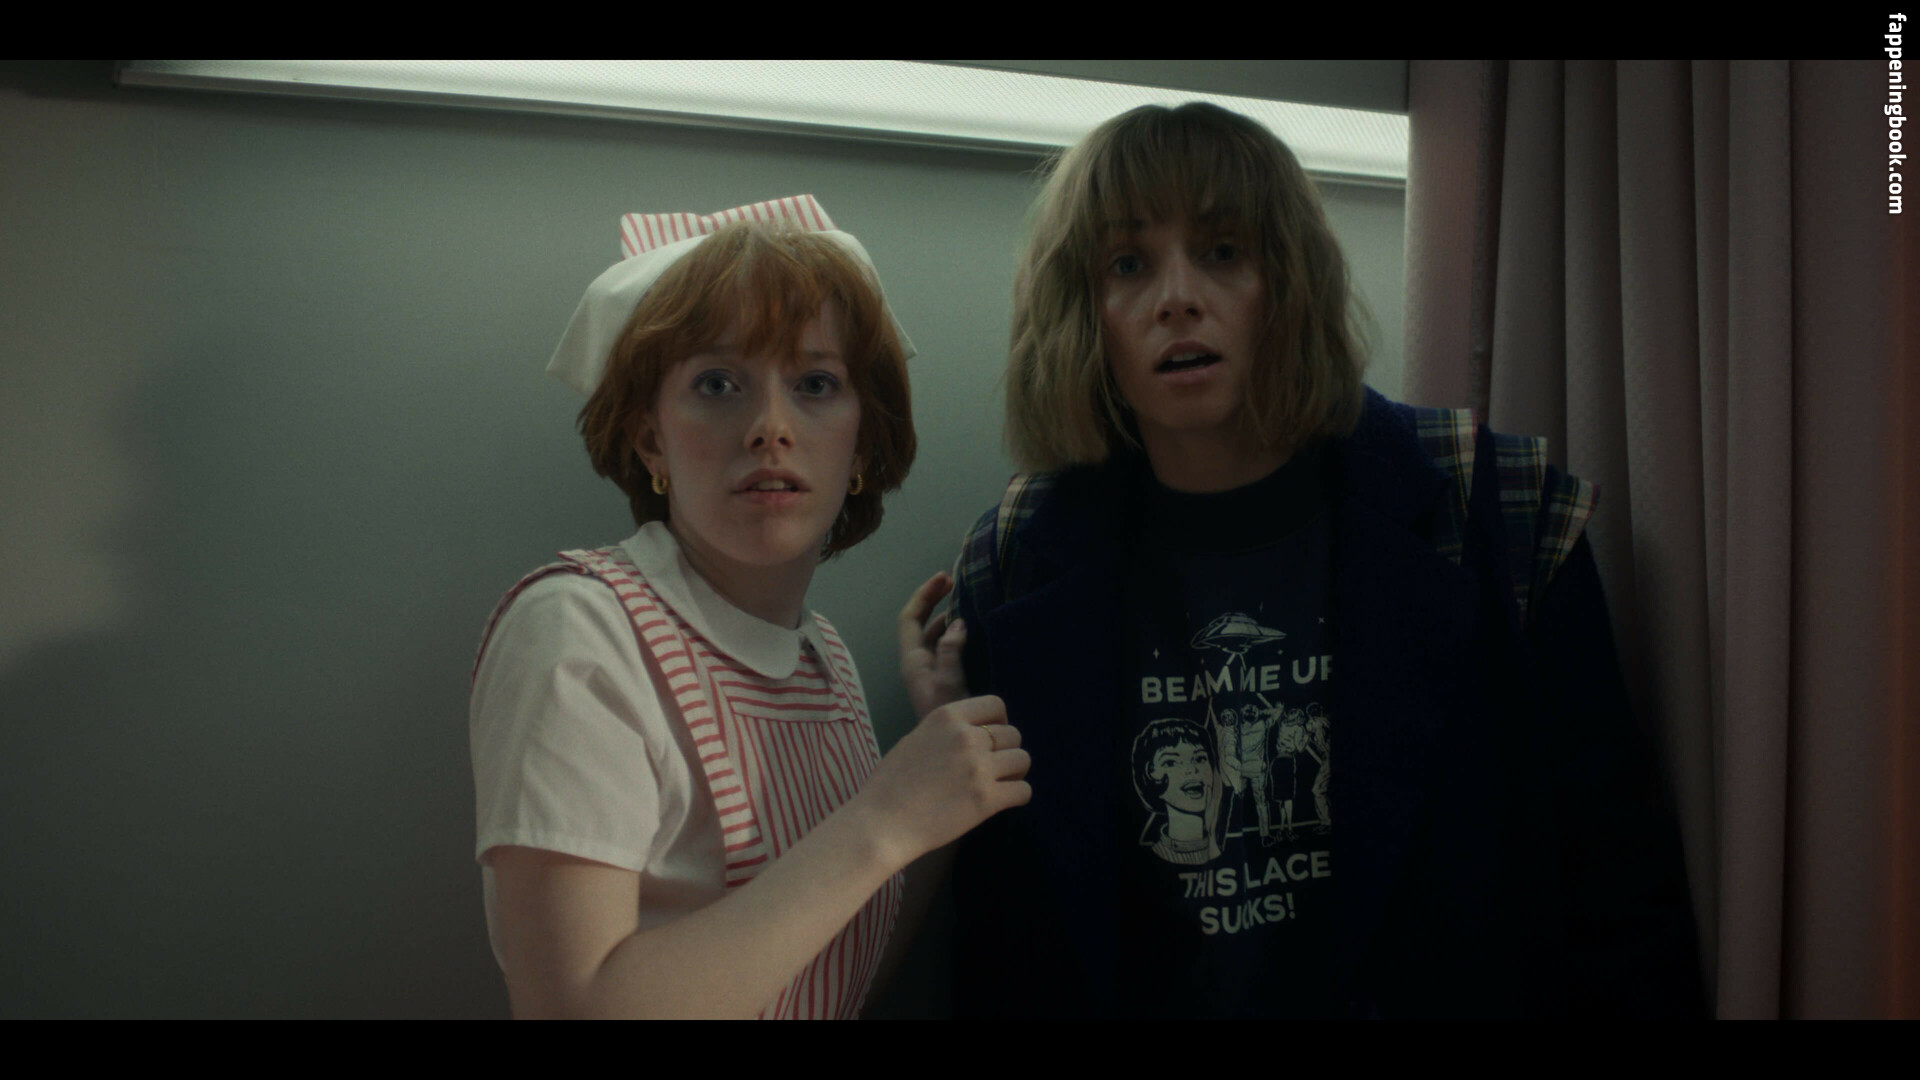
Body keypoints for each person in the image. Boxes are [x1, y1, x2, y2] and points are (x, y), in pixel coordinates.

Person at [918, 104, 1704, 1017]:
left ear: (1286, 282)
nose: (1177, 297)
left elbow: (1617, 895)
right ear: (1080, 313)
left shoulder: (1492, 511)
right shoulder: (1020, 555)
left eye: (1222, 251)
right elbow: (1005, 941)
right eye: (1127, 264)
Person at [469, 196, 1029, 1020]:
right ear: (650, 439)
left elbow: (830, 977)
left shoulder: (824, 657)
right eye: (717, 384)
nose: (770, 427)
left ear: (863, 444)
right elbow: (570, 1006)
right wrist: (885, 816)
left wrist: (929, 799)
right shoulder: (576, 634)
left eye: (815, 384)